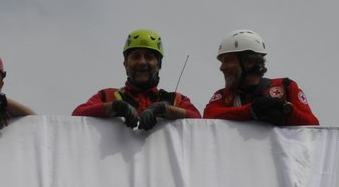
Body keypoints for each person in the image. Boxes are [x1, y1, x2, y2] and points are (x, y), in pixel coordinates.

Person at [71, 29, 200, 129]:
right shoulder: (109, 96)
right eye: (136, 56)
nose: (142, 62)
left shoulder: (175, 100)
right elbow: (78, 114)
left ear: (159, 65)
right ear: (125, 64)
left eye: (149, 57)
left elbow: (200, 121)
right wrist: (114, 107)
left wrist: (164, 109)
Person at [202, 29, 318, 126]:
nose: (222, 67)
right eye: (222, 62)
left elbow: (313, 125)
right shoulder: (224, 95)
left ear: (249, 61)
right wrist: (251, 111)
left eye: (228, 60)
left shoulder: (286, 86)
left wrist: (287, 112)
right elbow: (209, 114)